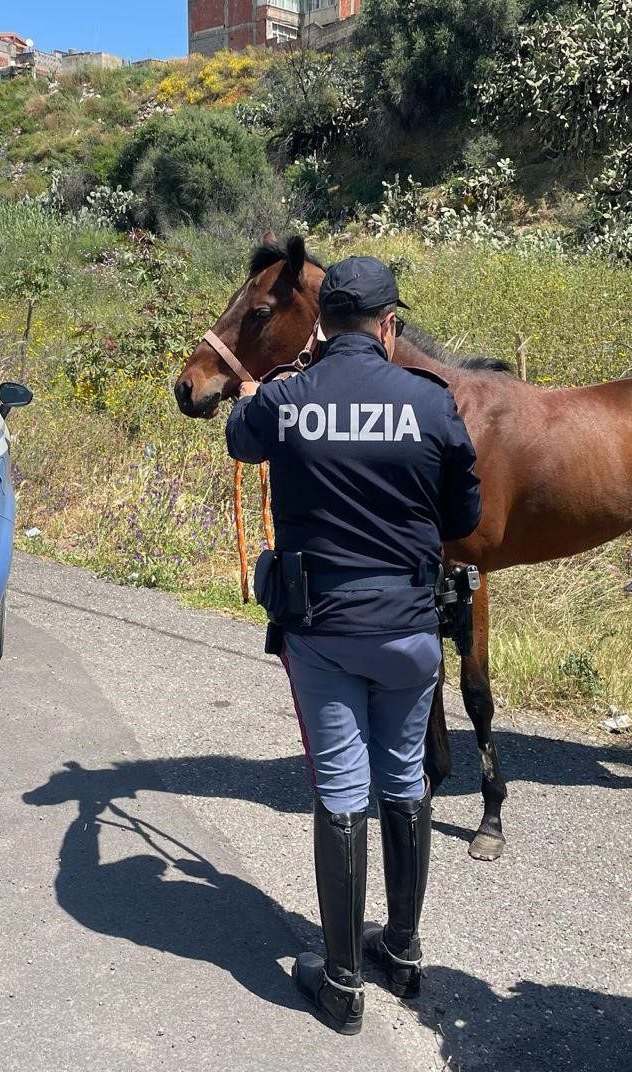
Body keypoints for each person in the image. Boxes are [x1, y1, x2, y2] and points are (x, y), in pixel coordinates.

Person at [225, 256, 482, 1034]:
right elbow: (463, 515)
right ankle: (399, 952)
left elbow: (240, 439)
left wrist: (256, 394)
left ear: (320, 325)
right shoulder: (431, 404)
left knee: (342, 788)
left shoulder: (286, 399)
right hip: (408, 629)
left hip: (324, 633)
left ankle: (341, 983)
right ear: (388, 324)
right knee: (404, 780)